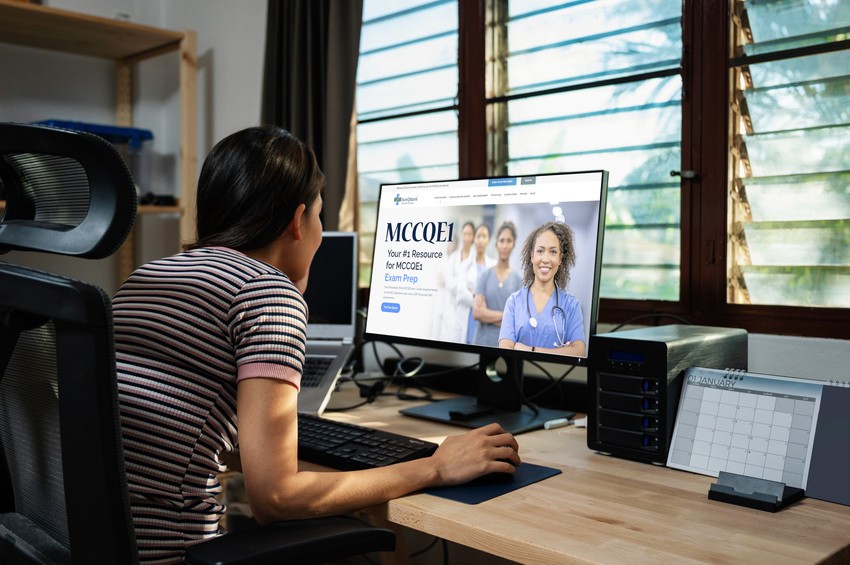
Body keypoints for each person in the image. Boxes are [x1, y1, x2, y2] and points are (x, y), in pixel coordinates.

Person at [112, 126, 520, 563]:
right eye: (320, 215)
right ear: (297, 221)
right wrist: (436, 466)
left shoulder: (146, 277)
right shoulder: (265, 293)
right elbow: (276, 498)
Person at [498, 221, 586, 356]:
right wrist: (561, 351)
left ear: (560, 258)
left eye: (553, 252)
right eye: (540, 251)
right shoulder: (514, 302)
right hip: (517, 375)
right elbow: (505, 348)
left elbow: (579, 351)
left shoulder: (572, 306)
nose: (545, 259)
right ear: (532, 256)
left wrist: (530, 349)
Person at [472, 221, 522, 346]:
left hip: (505, 344)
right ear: (496, 243)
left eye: (509, 241)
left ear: (514, 243)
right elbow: (477, 313)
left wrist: (487, 315)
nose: (504, 245)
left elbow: (517, 321)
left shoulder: (517, 281)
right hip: (482, 341)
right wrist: (506, 316)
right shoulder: (485, 275)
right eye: (501, 240)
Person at [458, 223, 496, 343]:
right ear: (474, 239)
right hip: (468, 317)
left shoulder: (492, 266)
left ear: (489, 240)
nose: (480, 240)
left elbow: (492, 295)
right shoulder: (465, 264)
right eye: (478, 236)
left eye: (484, 236)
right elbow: (461, 293)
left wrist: (473, 292)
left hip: (485, 318)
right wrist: (477, 297)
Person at [437, 221, 475, 342]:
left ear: (473, 237)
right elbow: (448, 282)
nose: (467, 237)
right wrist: (465, 290)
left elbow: (475, 292)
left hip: (465, 315)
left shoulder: (475, 260)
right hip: (449, 313)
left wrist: (466, 292)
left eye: (470, 234)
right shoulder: (453, 258)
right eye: (464, 234)